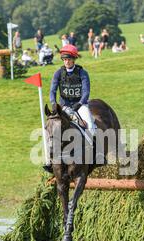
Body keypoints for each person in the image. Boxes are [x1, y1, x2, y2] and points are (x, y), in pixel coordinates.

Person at [45, 44, 96, 173]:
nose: (66, 61)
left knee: (90, 126)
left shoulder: (82, 73)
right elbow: (52, 91)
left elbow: (86, 92)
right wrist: (53, 103)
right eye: (64, 59)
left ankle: (95, 157)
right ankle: (50, 161)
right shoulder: (58, 73)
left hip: (80, 105)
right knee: (52, 129)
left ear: (74, 59)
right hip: (64, 107)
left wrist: (79, 104)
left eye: (68, 59)